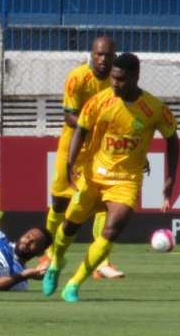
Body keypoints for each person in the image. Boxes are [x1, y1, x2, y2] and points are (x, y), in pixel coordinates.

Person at [42, 53, 180, 303]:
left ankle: (74, 284)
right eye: (113, 79)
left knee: (112, 229)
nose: (115, 83)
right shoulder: (98, 102)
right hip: (94, 175)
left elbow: (172, 139)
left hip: (126, 180)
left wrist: (170, 179)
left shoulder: (155, 109)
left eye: (121, 79)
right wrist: (72, 163)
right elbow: (80, 130)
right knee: (69, 227)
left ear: (136, 77)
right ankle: (56, 262)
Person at [43, 35, 126, 280]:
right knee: (59, 202)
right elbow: (69, 116)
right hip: (72, 148)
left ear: (114, 57)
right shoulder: (77, 78)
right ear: (91, 54)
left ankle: (102, 262)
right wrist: (95, 126)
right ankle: (48, 251)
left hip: (101, 152)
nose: (102, 59)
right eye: (98, 54)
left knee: (104, 200)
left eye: (108, 56)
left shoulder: (117, 84)